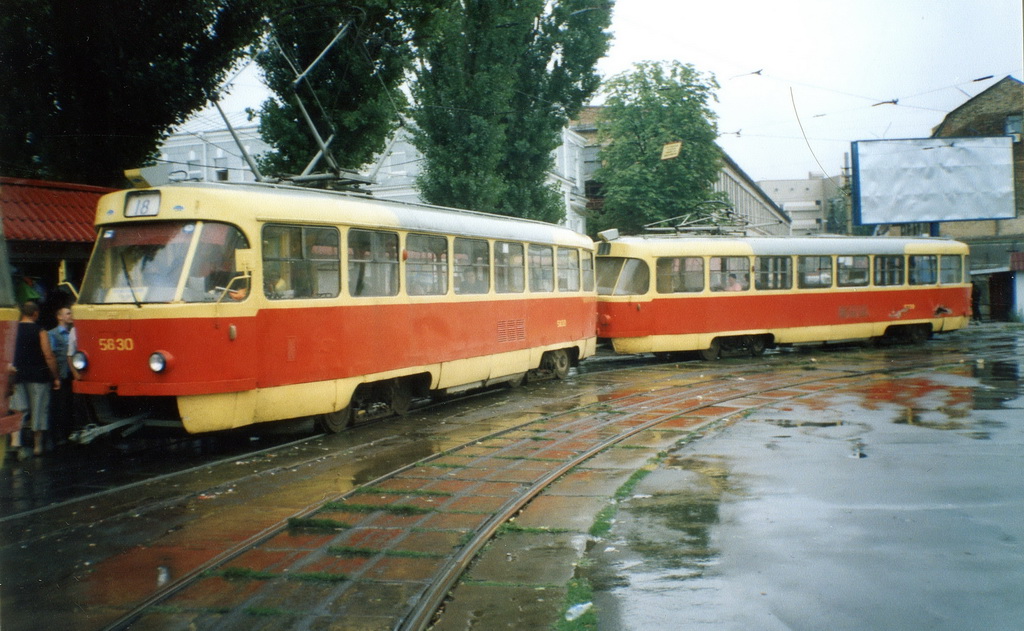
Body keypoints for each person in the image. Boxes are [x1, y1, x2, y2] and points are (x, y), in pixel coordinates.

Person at [10, 302, 60, 458]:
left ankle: (16, 444)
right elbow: (48, 355)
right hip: (39, 375)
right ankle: (38, 446)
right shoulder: (40, 331)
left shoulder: (12, 330)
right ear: (36, 314)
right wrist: (56, 377)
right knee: (39, 409)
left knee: (19, 410)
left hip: (16, 375)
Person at [48, 306, 74, 446]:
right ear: (60, 317)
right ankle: (59, 436)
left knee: (70, 404)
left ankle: (68, 432)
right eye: (68, 313)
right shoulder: (52, 334)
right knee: (60, 406)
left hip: (72, 374)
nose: (71, 315)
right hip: (61, 374)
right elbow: (50, 355)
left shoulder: (73, 332)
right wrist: (55, 376)